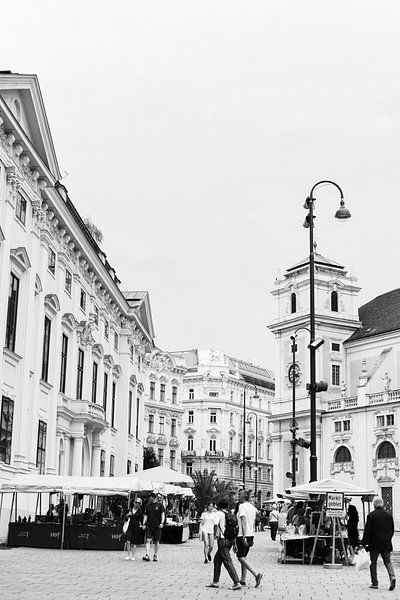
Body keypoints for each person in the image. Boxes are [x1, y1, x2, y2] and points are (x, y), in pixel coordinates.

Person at [361, 496, 396, 591]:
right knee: (387, 561)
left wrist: (363, 543)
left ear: (374, 505)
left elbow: (367, 531)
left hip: (374, 543)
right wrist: (388, 538)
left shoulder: (371, 515)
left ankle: (375, 582)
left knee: (373, 562)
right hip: (386, 543)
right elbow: (392, 530)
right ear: (382, 504)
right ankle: (392, 576)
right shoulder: (389, 515)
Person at [205, 499, 241, 591]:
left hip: (222, 541)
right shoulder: (230, 514)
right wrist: (234, 544)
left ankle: (237, 582)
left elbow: (216, 525)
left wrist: (215, 535)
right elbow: (233, 530)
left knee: (228, 562)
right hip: (229, 540)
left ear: (218, 506)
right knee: (217, 560)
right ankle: (215, 582)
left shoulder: (218, 514)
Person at [235, 490, 263, 588]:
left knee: (240, 557)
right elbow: (253, 521)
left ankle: (256, 575)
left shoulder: (242, 506)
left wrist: (243, 536)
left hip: (243, 534)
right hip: (250, 534)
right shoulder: (252, 507)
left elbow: (243, 521)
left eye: (239, 495)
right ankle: (243, 579)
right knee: (244, 557)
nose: (238, 496)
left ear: (243, 497)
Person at [142, 492, 165, 562]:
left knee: (156, 541)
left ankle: (155, 555)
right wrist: (143, 524)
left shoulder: (160, 505)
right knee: (148, 540)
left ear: (153, 497)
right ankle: (147, 554)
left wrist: (162, 523)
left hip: (157, 526)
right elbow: (145, 516)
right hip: (149, 525)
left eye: (150, 497)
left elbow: (163, 515)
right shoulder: (147, 506)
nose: (149, 498)